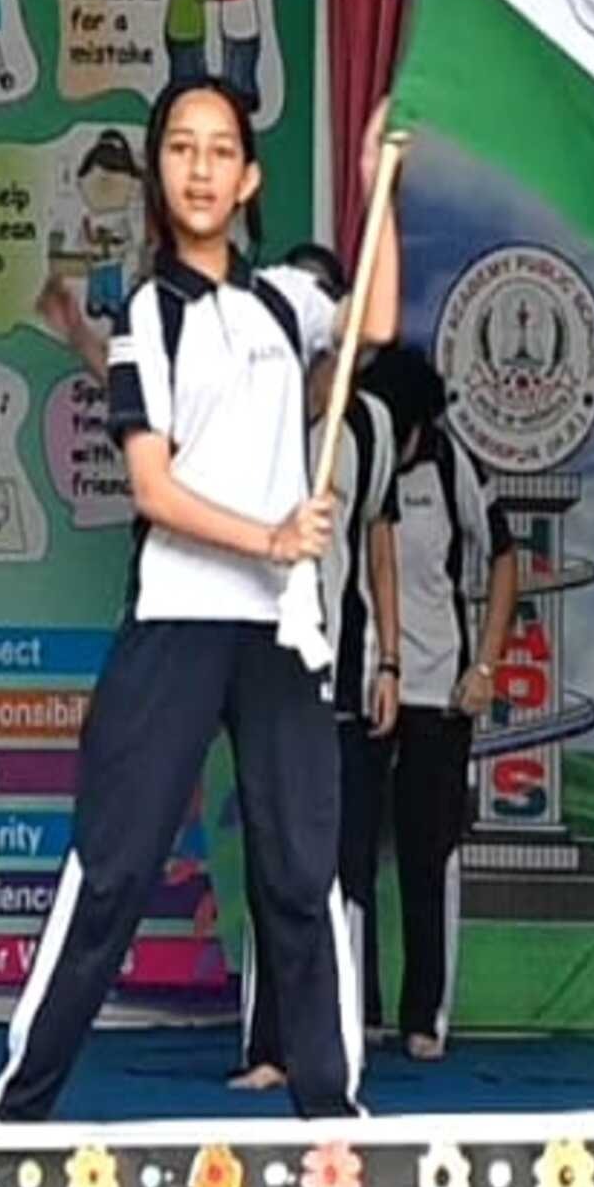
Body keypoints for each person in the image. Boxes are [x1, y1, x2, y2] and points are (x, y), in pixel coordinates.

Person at [0, 80, 392, 1125]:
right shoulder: (144, 320)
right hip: (177, 619)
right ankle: (19, 1106)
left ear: (248, 178)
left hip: (279, 631)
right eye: (180, 147)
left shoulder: (283, 303)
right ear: (159, 173)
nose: (201, 166)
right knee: (115, 867)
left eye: (220, 150)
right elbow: (153, 490)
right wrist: (270, 536)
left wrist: (375, 185)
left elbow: (374, 322)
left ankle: (330, 1110)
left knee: (300, 873)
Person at [236, 259, 398, 1094]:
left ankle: (335, 1037)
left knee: (331, 857)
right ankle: (268, 1046)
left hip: (341, 653)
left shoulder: (370, 425)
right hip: (256, 645)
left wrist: (391, 660)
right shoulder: (250, 401)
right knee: (270, 851)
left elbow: (378, 542)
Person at [374, 346, 523, 1062]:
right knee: (345, 857)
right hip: (365, 685)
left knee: (427, 856)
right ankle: (353, 1009)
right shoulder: (350, 452)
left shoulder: (450, 461)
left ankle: (424, 1015)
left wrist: (485, 664)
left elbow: (504, 557)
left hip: (438, 687)